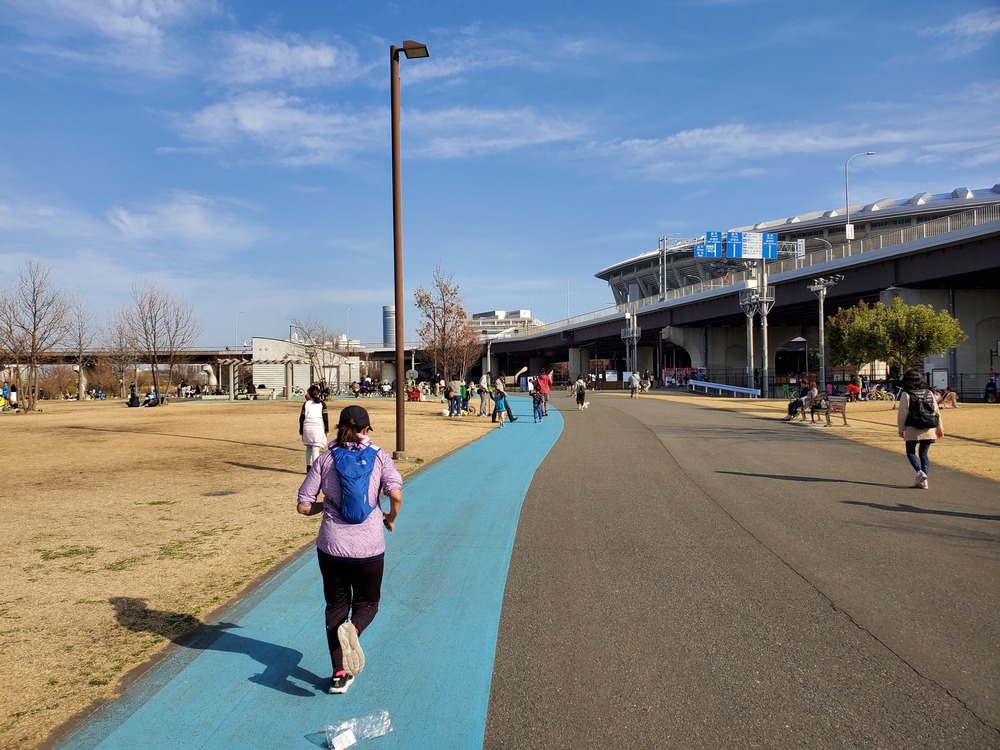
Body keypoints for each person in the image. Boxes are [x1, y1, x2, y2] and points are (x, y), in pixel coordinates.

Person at [296, 405, 403, 695]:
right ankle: (353, 631)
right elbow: (395, 494)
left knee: (336, 607)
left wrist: (326, 506)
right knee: (368, 603)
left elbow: (303, 506)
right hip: (369, 547)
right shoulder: (379, 456)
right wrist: (389, 519)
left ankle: (339, 673)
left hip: (332, 547)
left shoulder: (325, 459)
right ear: (366, 429)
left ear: (340, 428)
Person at [897, 368, 944, 489]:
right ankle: (924, 481)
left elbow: (903, 413)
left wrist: (901, 428)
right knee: (923, 454)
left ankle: (920, 472)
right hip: (928, 427)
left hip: (912, 427)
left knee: (911, 452)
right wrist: (939, 427)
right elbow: (936, 411)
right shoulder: (928, 393)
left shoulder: (906, 394)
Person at [299, 385, 329, 472]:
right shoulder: (322, 404)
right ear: (318, 394)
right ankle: (315, 469)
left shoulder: (306, 404)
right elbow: (325, 418)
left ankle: (308, 466)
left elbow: (301, 418)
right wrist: (326, 429)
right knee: (316, 448)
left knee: (308, 447)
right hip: (317, 427)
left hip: (307, 427)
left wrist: (301, 429)